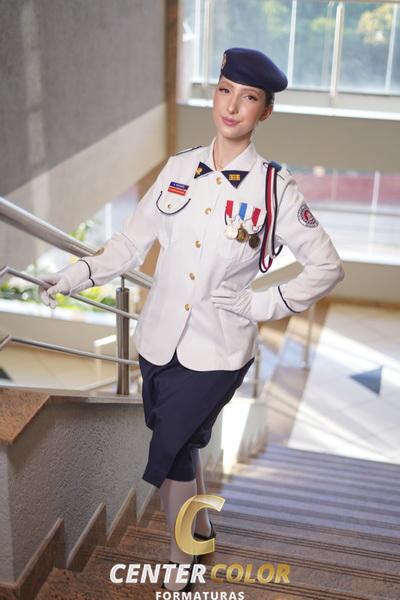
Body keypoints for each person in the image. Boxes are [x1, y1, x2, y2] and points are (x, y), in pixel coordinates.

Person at [39, 47, 344, 592]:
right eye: (225, 91)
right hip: (158, 341)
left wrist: (262, 305)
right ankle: (201, 527)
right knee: (184, 444)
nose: (232, 106)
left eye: (248, 98)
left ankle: (183, 562)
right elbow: (130, 244)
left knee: (172, 451)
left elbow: (327, 266)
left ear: (265, 111)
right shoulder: (179, 168)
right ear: (215, 93)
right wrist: (75, 275)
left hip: (218, 350)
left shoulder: (274, 188)